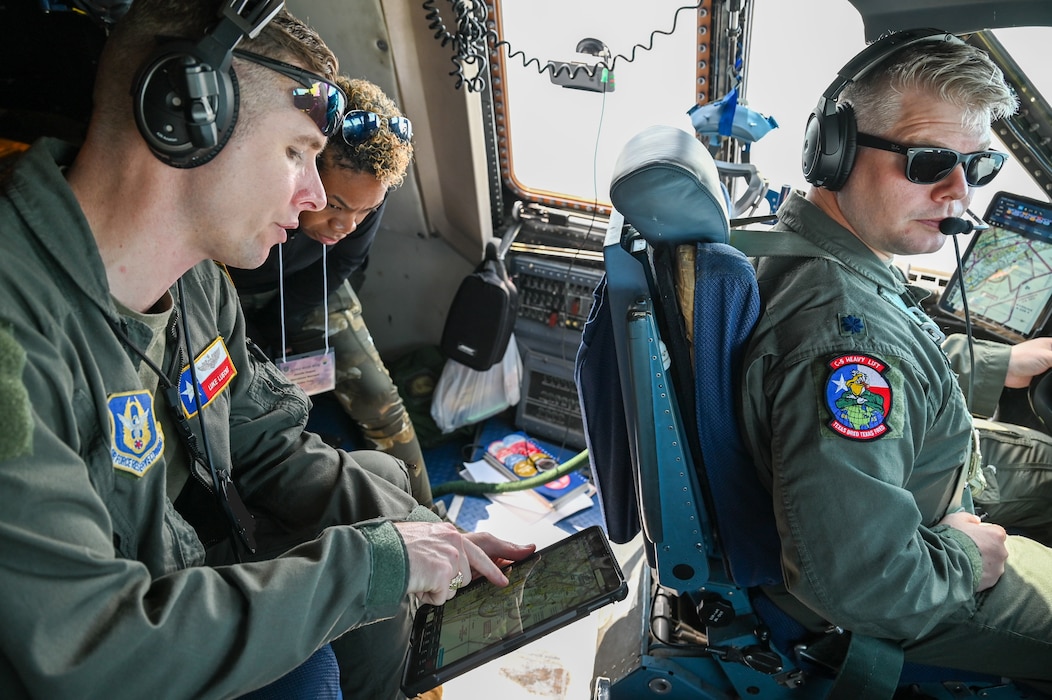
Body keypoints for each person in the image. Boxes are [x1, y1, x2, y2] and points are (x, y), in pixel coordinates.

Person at [0, 0, 534, 698]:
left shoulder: (197, 288)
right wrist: (368, 563)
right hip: (109, 644)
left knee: (388, 505)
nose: (316, 195)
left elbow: (267, 443)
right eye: (296, 154)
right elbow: (94, 649)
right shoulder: (18, 338)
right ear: (187, 124)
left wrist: (431, 539)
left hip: (180, 555)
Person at [738, 30, 1052, 689]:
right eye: (929, 161)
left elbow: (899, 376)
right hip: (913, 574)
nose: (958, 192)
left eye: (979, 167)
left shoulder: (802, 247)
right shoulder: (845, 339)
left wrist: (999, 366)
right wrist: (967, 557)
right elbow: (861, 582)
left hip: (920, 476)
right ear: (835, 154)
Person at [229, 76, 433, 507]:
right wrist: (251, 342)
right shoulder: (247, 189)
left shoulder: (366, 189)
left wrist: (274, 329)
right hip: (228, 289)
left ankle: (430, 519)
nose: (347, 227)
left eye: (365, 212)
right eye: (335, 205)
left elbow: (343, 262)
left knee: (379, 397)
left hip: (313, 284)